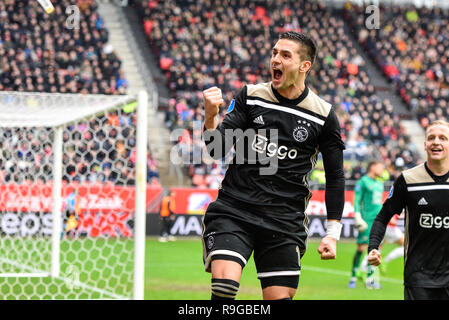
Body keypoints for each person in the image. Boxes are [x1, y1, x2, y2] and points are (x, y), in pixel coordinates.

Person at [201, 31, 346, 300]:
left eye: (285, 55)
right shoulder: (251, 96)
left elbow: (336, 177)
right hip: (235, 210)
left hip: (284, 220)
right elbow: (216, 149)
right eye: (274, 53)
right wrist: (211, 117)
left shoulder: (323, 115)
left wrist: (332, 234)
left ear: (305, 66)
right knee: (224, 288)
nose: (275, 60)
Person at [368, 120, 449, 300]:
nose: (436, 141)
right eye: (431, 138)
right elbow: (382, 217)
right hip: (418, 277)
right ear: (425, 144)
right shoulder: (408, 179)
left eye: (443, 138)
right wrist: (373, 247)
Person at [348, 161, 385, 289]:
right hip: (366, 220)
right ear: (373, 166)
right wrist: (357, 215)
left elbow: (379, 203)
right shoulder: (363, 181)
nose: (382, 169)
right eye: (380, 166)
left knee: (375, 250)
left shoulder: (380, 184)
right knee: (362, 248)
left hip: (378, 221)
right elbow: (357, 199)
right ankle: (353, 275)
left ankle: (370, 278)